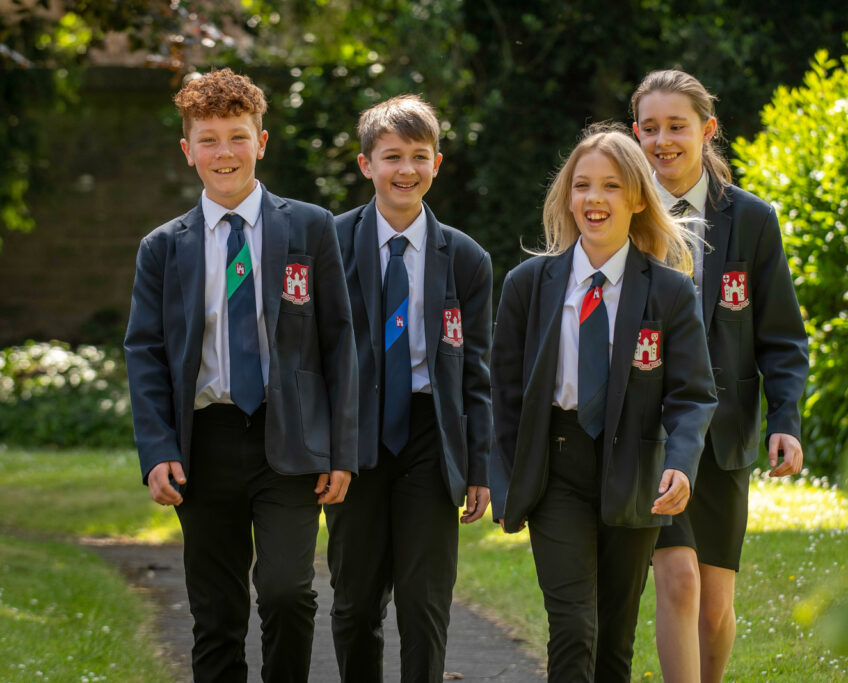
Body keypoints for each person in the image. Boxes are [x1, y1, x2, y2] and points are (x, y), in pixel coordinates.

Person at [123, 68, 359, 682]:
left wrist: (342, 448)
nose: (223, 152)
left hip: (291, 439)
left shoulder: (310, 227)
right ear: (187, 150)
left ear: (262, 141)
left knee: (287, 591)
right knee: (217, 611)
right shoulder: (163, 247)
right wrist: (157, 450)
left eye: (237, 136)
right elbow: (144, 353)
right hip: (205, 444)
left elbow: (339, 342)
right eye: (208, 139)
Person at [489, 122, 718, 682]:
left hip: (633, 474)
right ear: (568, 197)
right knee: (573, 628)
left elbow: (692, 395)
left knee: (615, 640)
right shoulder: (528, 284)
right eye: (583, 185)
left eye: (612, 186)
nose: (595, 199)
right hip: (556, 470)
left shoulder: (669, 292)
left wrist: (681, 465)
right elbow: (504, 394)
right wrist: (500, 477)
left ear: (638, 198)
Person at [631, 69, 810, 683]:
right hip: (648, 430)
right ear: (635, 133)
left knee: (714, 608)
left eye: (676, 126)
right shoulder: (620, 212)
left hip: (726, 431)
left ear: (706, 131)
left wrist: (785, 421)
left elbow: (782, 337)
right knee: (677, 582)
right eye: (650, 128)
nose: (663, 141)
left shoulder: (753, 220)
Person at [325, 94, 493, 683]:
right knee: (354, 601)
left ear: (437, 164)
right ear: (367, 163)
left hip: (430, 436)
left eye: (419, 156)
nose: (406, 170)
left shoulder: (465, 258)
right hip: (355, 439)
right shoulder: (331, 244)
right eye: (392, 156)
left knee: (425, 602)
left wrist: (480, 464)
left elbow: (478, 372)